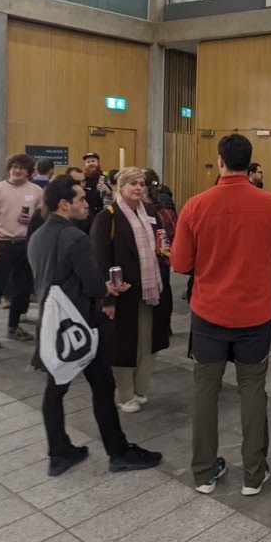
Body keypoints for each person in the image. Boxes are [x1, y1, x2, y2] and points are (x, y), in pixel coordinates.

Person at [171, 133, 271, 496]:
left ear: (220, 160)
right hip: (254, 317)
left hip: (208, 315)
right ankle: (254, 475)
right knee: (253, 391)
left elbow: (180, 262)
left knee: (205, 392)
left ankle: (204, 473)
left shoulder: (196, 206)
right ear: (250, 162)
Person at [28, 174, 162, 477]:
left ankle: (59, 451)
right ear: (65, 204)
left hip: (53, 325)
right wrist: (110, 290)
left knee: (56, 388)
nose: (86, 203)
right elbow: (93, 285)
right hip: (84, 325)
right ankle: (119, 452)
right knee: (103, 387)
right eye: (80, 199)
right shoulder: (75, 237)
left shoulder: (37, 235)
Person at [90, 167, 172, 414]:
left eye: (141, 184)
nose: (138, 188)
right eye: (132, 184)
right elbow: (99, 258)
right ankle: (124, 394)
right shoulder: (108, 217)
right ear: (120, 187)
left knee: (148, 342)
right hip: (123, 293)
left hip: (151, 290)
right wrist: (107, 295)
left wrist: (163, 251)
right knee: (124, 344)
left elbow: (159, 241)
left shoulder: (149, 212)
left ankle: (141, 388)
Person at [0, 153, 42, 349]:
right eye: (14, 167)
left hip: (25, 244)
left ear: (29, 172)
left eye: (22, 168)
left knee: (22, 289)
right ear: (9, 168)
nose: (17, 171)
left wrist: (32, 219)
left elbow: (42, 217)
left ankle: (13, 327)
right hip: (1, 244)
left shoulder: (36, 190)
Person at [82, 152, 111, 227]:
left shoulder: (106, 179)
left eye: (93, 161)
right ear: (85, 164)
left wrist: (107, 190)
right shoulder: (82, 179)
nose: (91, 163)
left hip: (103, 218)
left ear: (98, 163)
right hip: (85, 218)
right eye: (88, 162)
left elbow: (112, 198)